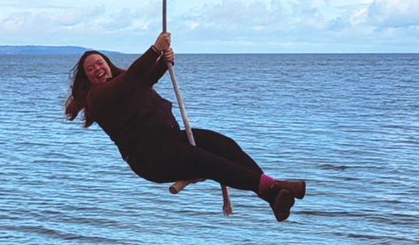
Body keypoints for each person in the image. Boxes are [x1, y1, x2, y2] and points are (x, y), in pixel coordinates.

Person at [65, 32, 306, 222]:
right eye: (91, 69)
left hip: (171, 140)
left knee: (224, 145)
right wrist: (154, 50)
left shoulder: (125, 85)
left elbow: (142, 80)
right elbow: (132, 79)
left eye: (100, 63)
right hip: (150, 158)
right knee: (213, 164)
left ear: (108, 64)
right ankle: (273, 188)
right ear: (87, 78)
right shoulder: (97, 97)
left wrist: (164, 63)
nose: (97, 69)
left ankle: (272, 195)